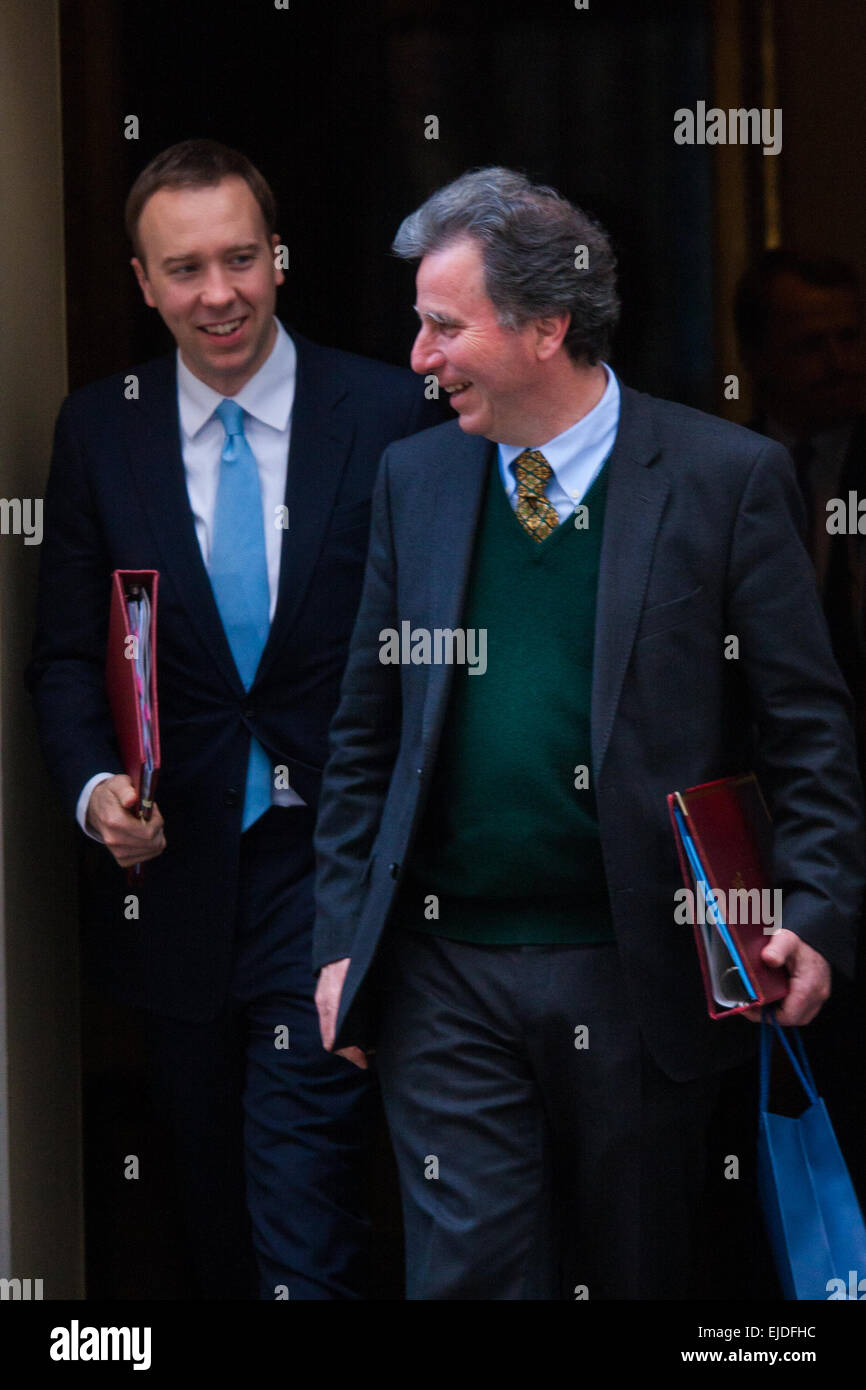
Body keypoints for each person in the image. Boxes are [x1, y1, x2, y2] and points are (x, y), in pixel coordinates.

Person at [313, 168, 866, 1300]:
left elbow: (806, 728)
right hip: (444, 973)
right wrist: (339, 941)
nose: (416, 357)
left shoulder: (722, 479)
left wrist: (809, 912)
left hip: (641, 978)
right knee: (470, 1277)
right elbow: (365, 736)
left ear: (545, 325)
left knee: (642, 1274)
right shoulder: (411, 481)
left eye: (441, 326)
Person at [27, 139, 442, 1300]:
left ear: (279, 257)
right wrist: (94, 788)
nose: (218, 294)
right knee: (210, 1205)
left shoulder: (392, 412)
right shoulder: (99, 430)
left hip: (336, 868)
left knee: (304, 1209)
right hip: (177, 878)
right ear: (140, 280)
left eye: (240, 258)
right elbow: (64, 656)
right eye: (185, 268)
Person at [735, 250, 866, 740]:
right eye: (811, 345)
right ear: (756, 356)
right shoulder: (722, 472)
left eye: (849, 337)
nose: (840, 363)